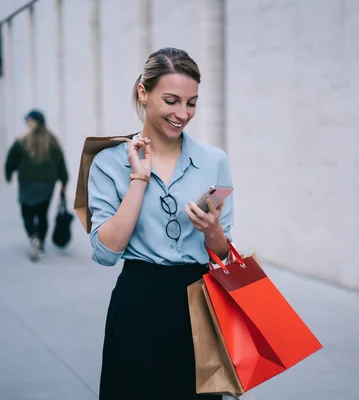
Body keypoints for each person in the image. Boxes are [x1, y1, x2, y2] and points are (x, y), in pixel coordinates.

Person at [88, 47, 234, 399]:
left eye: (192, 103)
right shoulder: (109, 161)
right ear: (143, 92)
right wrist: (138, 180)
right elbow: (106, 252)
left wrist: (212, 230)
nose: (182, 114)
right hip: (139, 301)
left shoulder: (213, 160)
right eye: (171, 100)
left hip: (202, 301)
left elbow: (224, 253)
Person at [5, 110, 68, 261]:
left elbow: (11, 159)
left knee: (27, 212)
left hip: (27, 182)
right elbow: (61, 162)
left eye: (29, 120)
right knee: (42, 213)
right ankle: (41, 243)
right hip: (47, 184)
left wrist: (9, 174)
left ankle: (33, 237)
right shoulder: (52, 140)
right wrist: (64, 181)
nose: (27, 123)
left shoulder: (22, 140)